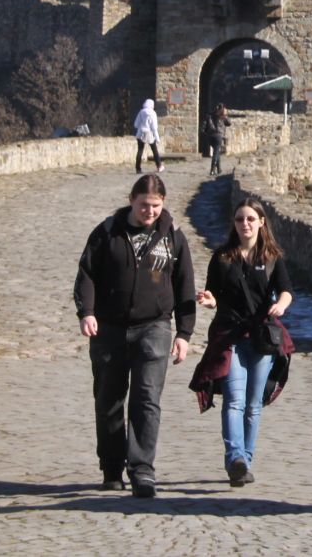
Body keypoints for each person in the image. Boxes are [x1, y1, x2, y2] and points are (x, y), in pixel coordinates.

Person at [74, 173, 196, 498]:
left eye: (156, 206)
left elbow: (185, 284)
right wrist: (86, 311)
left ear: (163, 204)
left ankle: (143, 470)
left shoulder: (173, 237)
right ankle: (112, 468)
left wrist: (184, 332)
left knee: (146, 400)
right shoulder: (107, 233)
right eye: (144, 205)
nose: (150, 212)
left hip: (154, 326)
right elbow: (86, 273)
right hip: (109, 328)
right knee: (109, 400)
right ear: (132, 200)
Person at [191, 199, 294, 485]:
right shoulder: (222, 257)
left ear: (261, 222)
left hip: (262, 339)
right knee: (235, 401)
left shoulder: (272, 257)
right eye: (239, 219)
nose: (244, 224)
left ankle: (245, 462)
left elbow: (286, 290)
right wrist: (209, 300)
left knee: (253, 404)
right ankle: (234, 457)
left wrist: (281, 306)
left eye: (250, 219)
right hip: (230, 336)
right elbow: (213, 293)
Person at [133, 98, 162, 173]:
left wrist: (141, 125)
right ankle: (159, 166)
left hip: (140, 133)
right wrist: (157, 138)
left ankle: (138, 168)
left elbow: (136, 124)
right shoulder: (153, 113)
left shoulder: (141, 112)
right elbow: (154, 127)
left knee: (140, 150)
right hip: (149, 133)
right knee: (154, 150)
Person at [201, 104, 230, 176]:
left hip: (210, 136)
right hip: (218, 136)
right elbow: (229, 123)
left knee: (216, 152)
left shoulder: (208, 115)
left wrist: (205, 134)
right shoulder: (222, 116)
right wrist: (225, 115)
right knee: (216, 153)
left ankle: (219, 168)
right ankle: (212, 169)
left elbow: (202, 127)